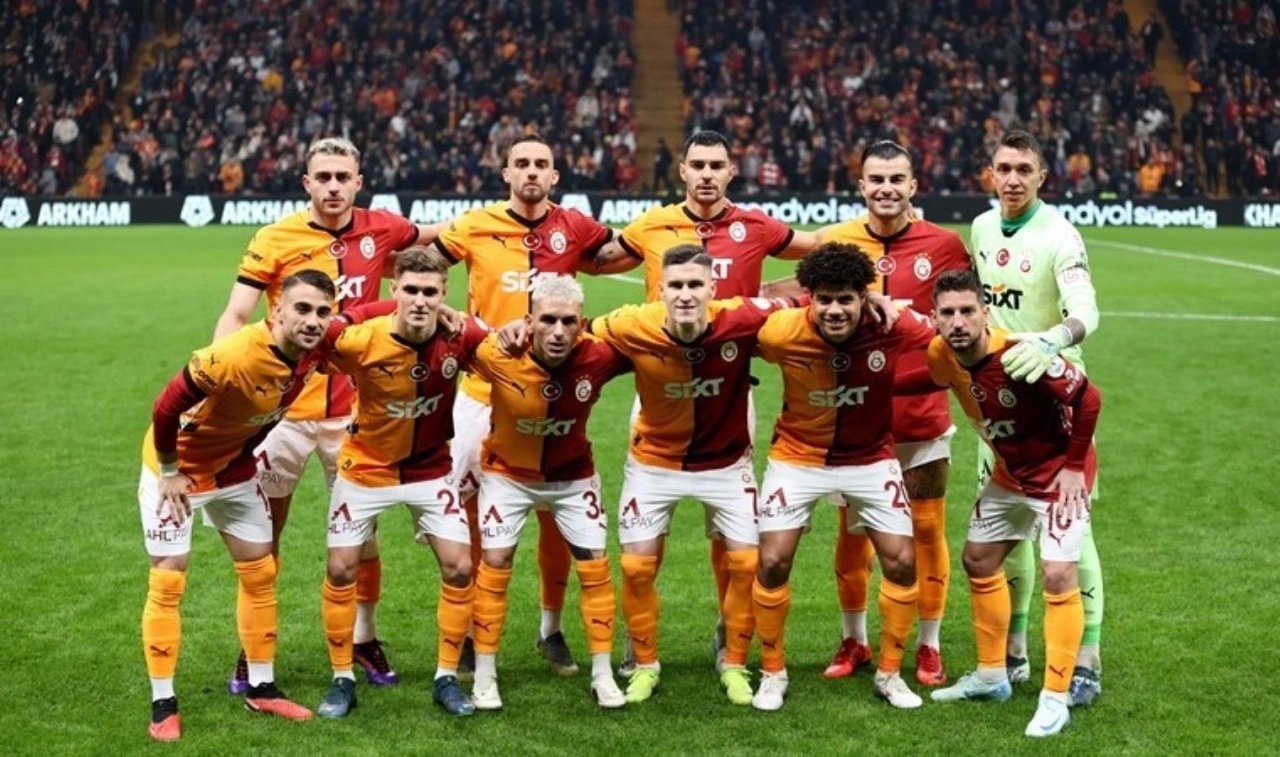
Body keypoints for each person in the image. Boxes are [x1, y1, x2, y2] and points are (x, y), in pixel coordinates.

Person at [590, 129, 831, 671]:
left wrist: (774, 293)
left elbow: (818, 250)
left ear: (730, 172)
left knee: (730, 532)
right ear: (682, 171)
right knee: (648, 530)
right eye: (697, 164)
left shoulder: (757, 227)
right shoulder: (650, 225)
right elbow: (597, 261)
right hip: (658, 390)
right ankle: (639, 637)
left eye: (715, 165)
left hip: (730, 392)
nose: (705, 174)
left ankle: (729, 630)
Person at [213, 137, 441, 692]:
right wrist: (219, 375)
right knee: (263, 535)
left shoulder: (384, 228)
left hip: (360, 413)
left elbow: (440, 239)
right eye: (324, 177)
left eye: (343, 177)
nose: (334, 186)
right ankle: (254, 648)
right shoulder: (275, 238)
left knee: (363, 536)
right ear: (307, 183)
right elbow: (238, 312)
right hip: (284, 414)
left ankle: (363, 637)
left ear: (359, 182)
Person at [432, 133, 622, 679]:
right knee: (471, 517)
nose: (532, 171)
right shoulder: (475, 225)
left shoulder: (575, 226)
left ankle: (551, 629)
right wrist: (453, 318)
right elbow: (420, 268)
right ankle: (472, 634)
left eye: (542, 163)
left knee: (554, 513)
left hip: (550, 392)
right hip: (479, 394)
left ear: (555, 175)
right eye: (522, 163)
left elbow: (619, 253)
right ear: (507, 174)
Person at [141, 270, 355, 741]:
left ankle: (262, 687)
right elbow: (165, 407)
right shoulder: (231, 356)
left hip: (234, 469)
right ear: (275, 311)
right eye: (302, 309)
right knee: (169, 577)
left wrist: (441, 312)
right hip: (176, 473)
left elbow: (369, 314)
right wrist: (170, 470)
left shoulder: (317, 342)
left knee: (260, 572)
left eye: (323, 312)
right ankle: (163, 703)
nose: (313, 320)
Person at [586, 245, 800, 706]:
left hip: (725, 464)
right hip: (654, 463)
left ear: (712, 289)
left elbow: (805, 302)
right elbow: (577, 332)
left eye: (695, 285)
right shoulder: (630, 322)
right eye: (677, 286)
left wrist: (872, 299)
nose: (685, 294)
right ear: (660, 290)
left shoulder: (742, 317)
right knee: (636, 566)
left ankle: (734, 661)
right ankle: (644, 663)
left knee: (746, 564)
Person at [906, 269, 1102, 738]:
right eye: (948, 313)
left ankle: (1055, 698)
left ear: (985, 313)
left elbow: (1090, 400)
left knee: (1058, 574)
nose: (958, 322)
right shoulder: (940, 353)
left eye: (967, 311)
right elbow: (924, 381)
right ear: (934, 318)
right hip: (1009, 475)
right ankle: (992, 676)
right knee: (978, 559)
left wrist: (1075, 467)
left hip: (1058, 476)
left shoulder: (1020, 353)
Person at [807, 140, 971, 686]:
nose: (886, 188)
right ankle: (855, 639)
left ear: (913, 185)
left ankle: (929, 645)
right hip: (854, 419)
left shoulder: (944, 245)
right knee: (853, 536)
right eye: (876, 179)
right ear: (860, 186)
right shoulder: (836, 241)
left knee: (926, 533)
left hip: (921, 415)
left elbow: (967, 316)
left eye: (896, 179)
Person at [751, 244, 937, 712]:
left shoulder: (893, 325)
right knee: (772, 561)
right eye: (824, 299)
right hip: (797, 457)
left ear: (864, 298)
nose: (835, 310)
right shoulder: (780, 331)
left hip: (871, 459)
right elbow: (726, 323)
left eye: (846, 299)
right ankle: (773, 672)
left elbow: (953, 333)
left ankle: (890, 674)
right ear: (810, 299)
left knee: (902, 561)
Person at [314, 248, 486, 719]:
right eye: (410, 290)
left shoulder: (460, 335)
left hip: (430, 470)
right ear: (395, 291)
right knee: (341, 569)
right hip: (365, 469)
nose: (420, 300)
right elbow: (316, 335)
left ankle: (446, 677)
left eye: (430, 292)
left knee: (459, 567)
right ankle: (342, 677)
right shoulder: (361, 340)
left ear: (444, 294)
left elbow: (505, 347)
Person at [969, 129, 1105, 706]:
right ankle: (1015, 648)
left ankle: (1087, 660)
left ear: (1042, 177)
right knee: (1007, 531)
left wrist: (1054, 339)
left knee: (1072, 536)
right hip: (997, 408)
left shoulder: (1060, 236)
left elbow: (1086, 310)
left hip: (1055, 404)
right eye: (1004, 168)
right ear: (991, 173)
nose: (1013, 179)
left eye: (1024, 169)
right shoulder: (980, 227)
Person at [466, 277, 632, 711]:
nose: (558, 331)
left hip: (573, 478)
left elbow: (657, 339)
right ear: (529, 321)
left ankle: (602, 675)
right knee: (495, 561)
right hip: (507, 475)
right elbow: (450, 332)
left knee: (595, 565)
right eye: (548, 320)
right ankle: (484, 676)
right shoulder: (497, 353)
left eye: (568, 322)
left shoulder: (601, 356)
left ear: (582, 323)